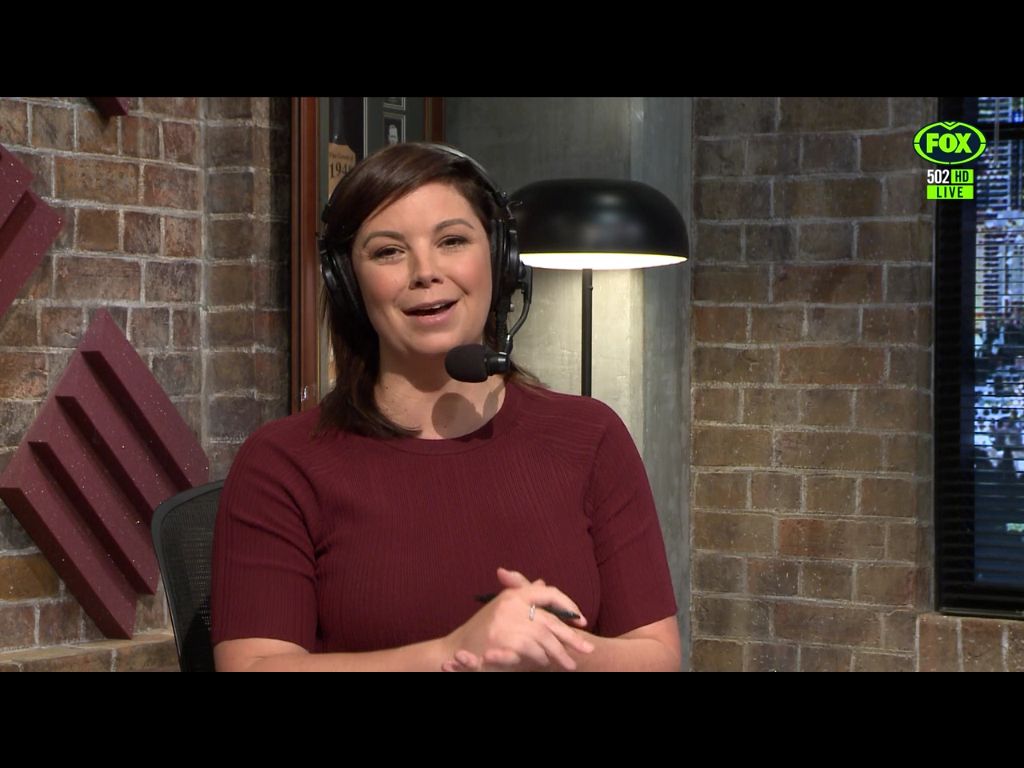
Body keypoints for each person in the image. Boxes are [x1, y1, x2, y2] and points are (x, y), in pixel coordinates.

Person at [210, 142, 680, 671]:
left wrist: (544, 646)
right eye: (388, 252)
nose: (425, 271)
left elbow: (656, 656)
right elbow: (254, 666)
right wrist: (450, 654)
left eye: (452, 241)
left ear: (500, 260)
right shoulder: (283, 462)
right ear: (347, 283)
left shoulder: (590, 436)